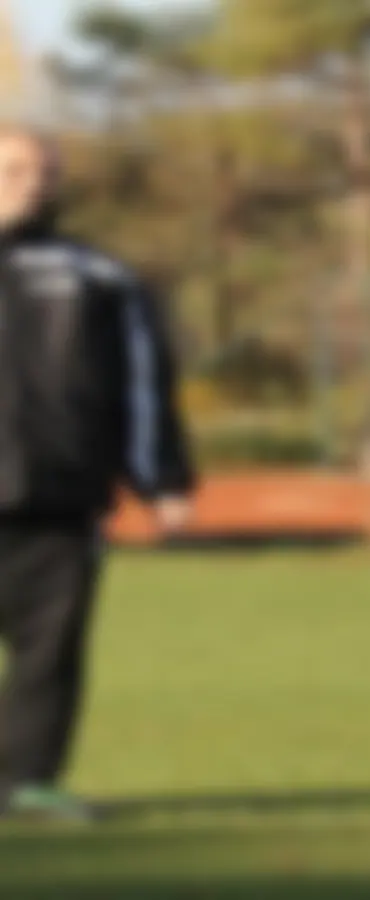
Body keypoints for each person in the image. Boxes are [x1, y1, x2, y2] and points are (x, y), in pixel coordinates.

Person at [0, 125, 196, 822]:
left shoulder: (100, 277)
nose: (32, 182)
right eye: (16, 169)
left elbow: (143, 385)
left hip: (61, 496)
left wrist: (161, 479)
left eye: (43, 171)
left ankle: (27, 782)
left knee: (50, 651)